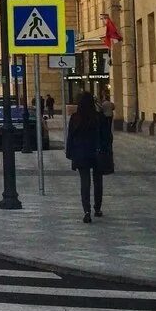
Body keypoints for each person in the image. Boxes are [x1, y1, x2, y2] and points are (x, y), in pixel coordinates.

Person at [65, 91, 112, 222]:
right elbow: (107, 137)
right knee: (98, 182)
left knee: (84, 183)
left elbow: (70, 138)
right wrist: (106, 150)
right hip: (97, 153)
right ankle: (97, 208)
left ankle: (86, 211)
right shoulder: (99, 117)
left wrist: (70, 153)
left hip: (80, 154)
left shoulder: (75, 118)